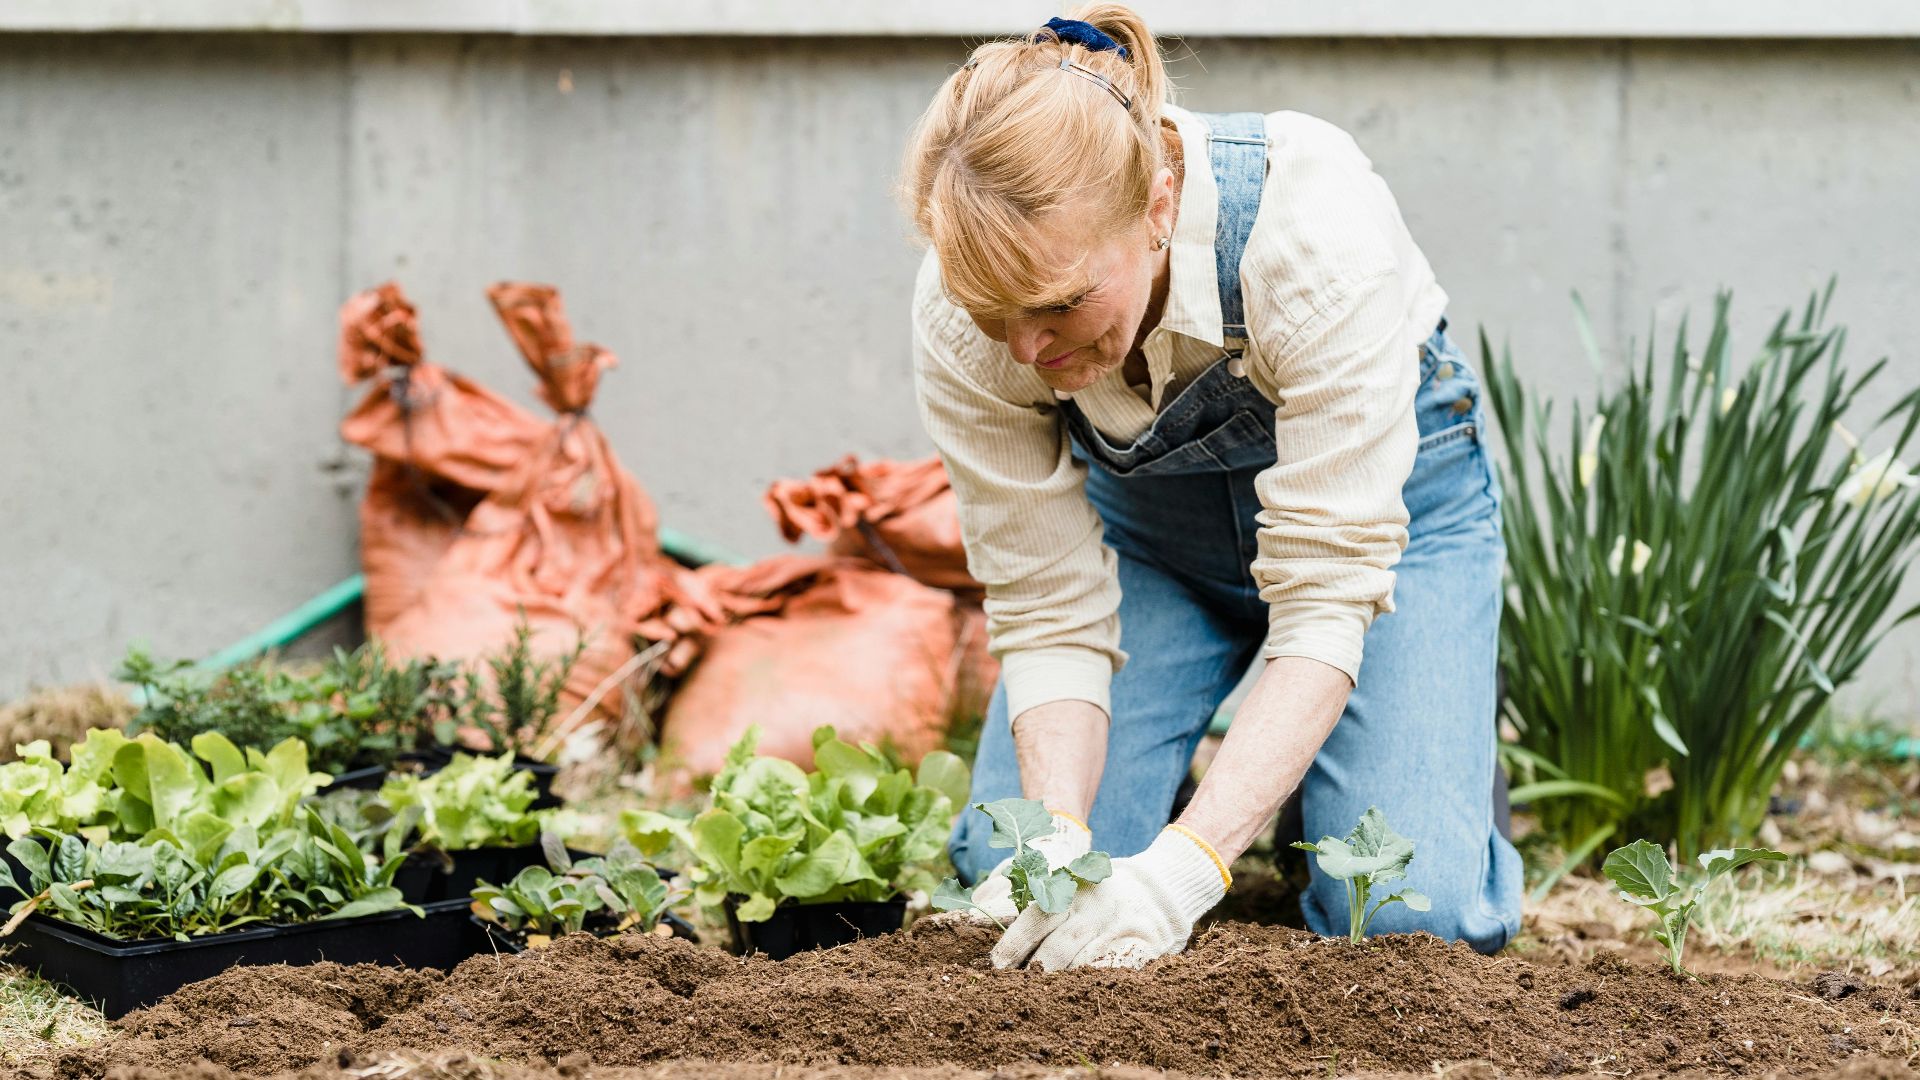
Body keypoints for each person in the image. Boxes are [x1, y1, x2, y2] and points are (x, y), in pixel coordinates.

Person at [897, 4, 1522, 970]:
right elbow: (1046, 609)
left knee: (1406, 914)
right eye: (995, 312)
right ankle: (1259, 776)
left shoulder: (1308, 235)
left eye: (1059, 304)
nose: (1025, 349)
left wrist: (1181, 877)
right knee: (1012, 872)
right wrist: (1059, 842)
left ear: (1157, 205)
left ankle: (1386, 760)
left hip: (1391, 536)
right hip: (1158, 549)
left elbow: (1325, 600)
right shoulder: (962, 315)